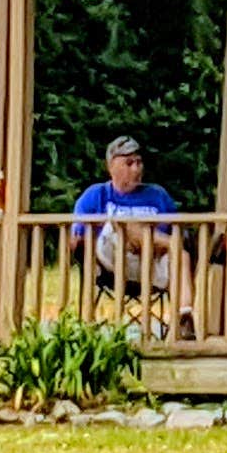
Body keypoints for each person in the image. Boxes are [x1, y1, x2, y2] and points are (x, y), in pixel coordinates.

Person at [73, 135, 192, 336]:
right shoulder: (96, 195)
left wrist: (146, 242)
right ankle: (140, 234)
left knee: (182, 255)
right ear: (111, 166)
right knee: (119, 225)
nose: (136, 169)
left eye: (139, 162)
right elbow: (76, 239)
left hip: (152, 262)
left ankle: (185, 320)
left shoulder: (157, 195)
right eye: (129, 163)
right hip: (112, 264)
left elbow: (180, 233)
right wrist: (130, 234)